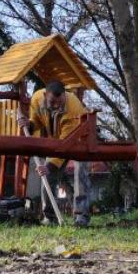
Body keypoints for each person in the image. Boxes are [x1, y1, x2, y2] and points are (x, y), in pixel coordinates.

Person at [16, 80, 93, 227]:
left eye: (60, 101)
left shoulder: (73, 108)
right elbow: (37, 121)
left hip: (79, 141)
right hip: (58, 141)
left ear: (64, 95)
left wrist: (49, 166)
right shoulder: (37, 98)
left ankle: (81, 218)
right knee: (48, 177)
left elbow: (65, 144)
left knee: (80, 175)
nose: (56, 105)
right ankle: (49, 218)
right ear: (45, 95)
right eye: (52, 102)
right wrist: (29, 125)